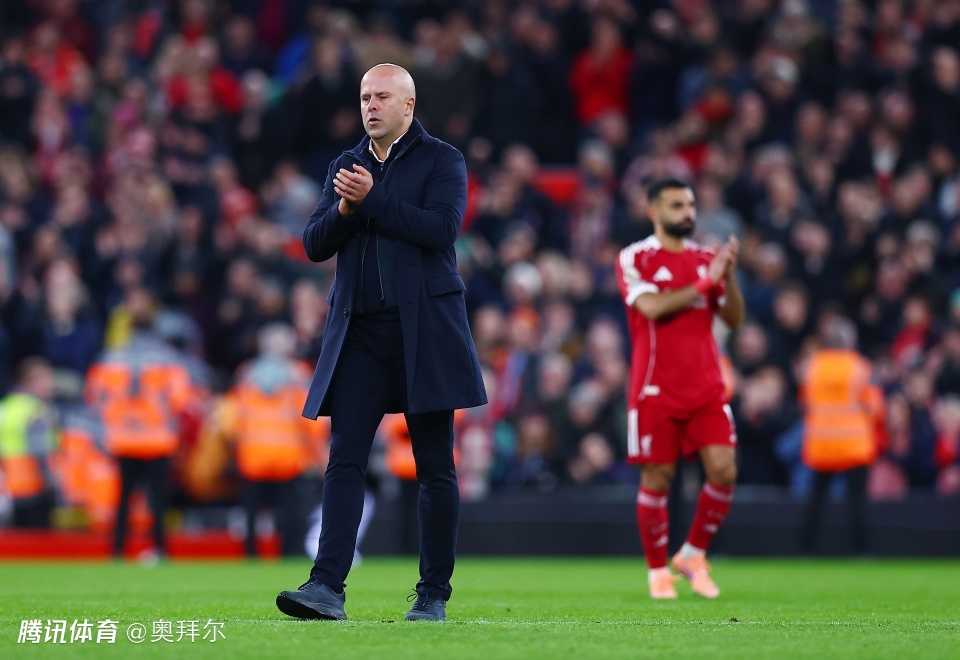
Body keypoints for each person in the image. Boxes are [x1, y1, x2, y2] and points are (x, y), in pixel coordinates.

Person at [276, 63, 487, 622]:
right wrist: (345, 209)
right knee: (344, 459)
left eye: (382, 97)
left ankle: (433, 594)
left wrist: (370, 201)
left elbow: (441, 230)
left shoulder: (443, 160)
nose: (371, 106)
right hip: (361, 332)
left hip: (425, 332)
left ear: (408, 105)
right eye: (365, 97)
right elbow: (314, 244)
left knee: (434, 466)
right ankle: (326, 587)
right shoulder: (345, 165)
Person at [615, 179, 745, 600]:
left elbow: (734, 319)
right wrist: (707, 283)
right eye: (676, 205)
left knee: (724, 470)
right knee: (659, 475)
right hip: (655, 387)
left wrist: (729, 277)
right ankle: (657, 572)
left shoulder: (706, 258)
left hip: (706, 385)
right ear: (653, 211)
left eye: (690, 204)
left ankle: (692, 554)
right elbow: (651, 306)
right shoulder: (636, 257)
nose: (687, 212)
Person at [85, 303, 193, 560]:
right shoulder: (167, 359)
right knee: (157, 498)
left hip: (122, 437)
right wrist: (161, 414)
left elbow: (94, 396)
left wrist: (116, 418)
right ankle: (160, 549)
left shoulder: (112, 358)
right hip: (157, 438)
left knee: (123, 497)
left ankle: (118, 550)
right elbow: (181, 397)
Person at [226, 323, 322, 557]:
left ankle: (250, 556)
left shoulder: (246, 373)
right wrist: (317, 454)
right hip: (290, 456)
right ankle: (289, 555)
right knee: (290, 512)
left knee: (251, 511)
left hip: (253, 454)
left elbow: (232, 418)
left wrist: (236, 447)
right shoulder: (299, 374)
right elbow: (311, 420)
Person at [798, 316, 883, 555]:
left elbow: (805, 401)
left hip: (822, 443)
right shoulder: (860, 367)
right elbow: (874, 406)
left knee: (816, 499)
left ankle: (805, 548)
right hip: (854, 444)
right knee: (857, 500)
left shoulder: (813, 366)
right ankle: (861, 550)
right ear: (850, 341)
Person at [0, 358, 59, 528]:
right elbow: (40, 451)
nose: (51, 384)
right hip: (33, 487)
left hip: (7, 488)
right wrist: (52, 481)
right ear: (29, 382)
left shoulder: (6, 406)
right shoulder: (36, 411)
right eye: (45, 378)